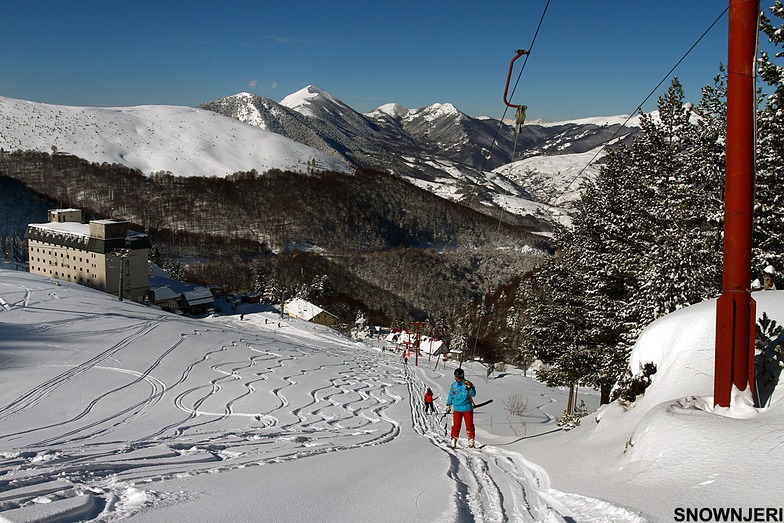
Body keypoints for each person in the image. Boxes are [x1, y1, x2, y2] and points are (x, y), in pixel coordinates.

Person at [446, 367, 476, 448]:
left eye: (460, 377)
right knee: (456, 425)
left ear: (462, 376)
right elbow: (450, 395)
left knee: (469, 426)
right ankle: (453, 439)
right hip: (457, 409)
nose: (458, 379)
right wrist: (448, 404)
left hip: (467, 408)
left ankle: (471, 440)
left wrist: (471, 388)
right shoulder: (454, 385)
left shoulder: (467, 384)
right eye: (457, 377)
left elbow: (473, 394)